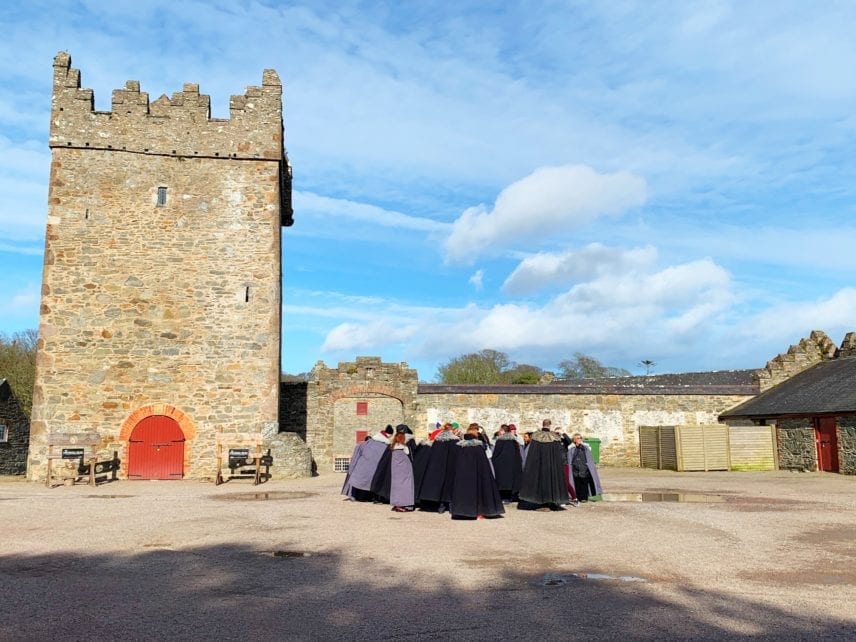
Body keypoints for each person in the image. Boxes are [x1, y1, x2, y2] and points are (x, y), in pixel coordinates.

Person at [449, 425, 504, 519]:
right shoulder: (478, 447)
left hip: (462, 476)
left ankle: (462, 511)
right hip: (477, 475)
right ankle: (479, 511)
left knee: (463, 491)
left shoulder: (459, 447)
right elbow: (484, 465)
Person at [517, 419, 569, 511]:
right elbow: (558, 454)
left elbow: (532, 454)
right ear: (550, 425)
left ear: (543, 425)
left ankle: (540, 502)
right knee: (551, 482)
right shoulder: (555, 438)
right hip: (552, 466)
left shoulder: (536, 437)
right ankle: (550, 502)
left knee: (540, 482)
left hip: (539, 465)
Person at [415, 422, 460, 513]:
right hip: (451, 466)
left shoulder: (437, 440)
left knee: (440, 485)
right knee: (449, 486)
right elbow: (456, 454)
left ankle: (440, 505)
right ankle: (449, 505)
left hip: (438, 466)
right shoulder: (454, 440)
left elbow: (433, 453)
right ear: (451, 429)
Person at [342, 425, 393, 501]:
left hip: (361, 469)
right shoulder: (386, 447)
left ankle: (358, 496)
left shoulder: (366, 444)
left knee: (361, 483)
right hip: (373, 471)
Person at [491, 426, 523, 502]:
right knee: (511, 482)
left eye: (500, 430)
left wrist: (494, 461)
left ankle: (503, 497)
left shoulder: (500, 441)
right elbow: (518, 454)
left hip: (501, 465)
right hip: (512, 464)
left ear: (503, 431)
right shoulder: (514, 442)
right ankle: (510, 497)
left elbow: (496, 453)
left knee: (502, 482)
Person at [568, 433, 603, 502]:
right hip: (575, 469)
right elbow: (570, 459)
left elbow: (589, 459)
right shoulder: (571, 449)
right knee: (577, 484)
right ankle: (577, 497)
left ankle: (584, 498)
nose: (580, 439)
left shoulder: (585, 448)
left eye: (581, 438)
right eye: (578, 438)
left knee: (584, 484)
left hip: (584, 469)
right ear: (574, 440)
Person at [388, 426, 416, 512]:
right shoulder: (404, 447)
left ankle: (396, 503)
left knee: (396, 486)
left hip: (396, 470)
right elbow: (408, 453)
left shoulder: (392, 447)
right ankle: (405, 504)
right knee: (406, 485)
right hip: (405, 468)